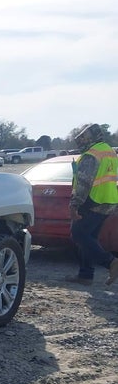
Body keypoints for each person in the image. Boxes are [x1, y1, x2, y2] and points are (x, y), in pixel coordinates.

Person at [65, 123, 118, 286]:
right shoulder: (109, 151)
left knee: (78, 234)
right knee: (90, 237)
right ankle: (86, 274)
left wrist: (75, 205)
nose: (80, 142)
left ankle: (111, 263)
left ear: (89, 138)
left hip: (92, 201)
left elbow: (83, 183)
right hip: (108, 200)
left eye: (82, 138)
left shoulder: (91, 155)